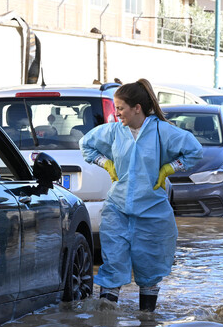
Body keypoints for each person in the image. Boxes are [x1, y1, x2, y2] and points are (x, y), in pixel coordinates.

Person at [79, 79, 202, 311]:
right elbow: (86, 145)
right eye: (115, 108)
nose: (117, 114)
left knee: (150, 268)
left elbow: (195, 151)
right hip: (117, 209)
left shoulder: (162, 131)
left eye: (121, 108)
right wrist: (105, 163)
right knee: (113, 264)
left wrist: (170, 167)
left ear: (137, 108)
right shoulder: (114, 132)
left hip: (152, 212)